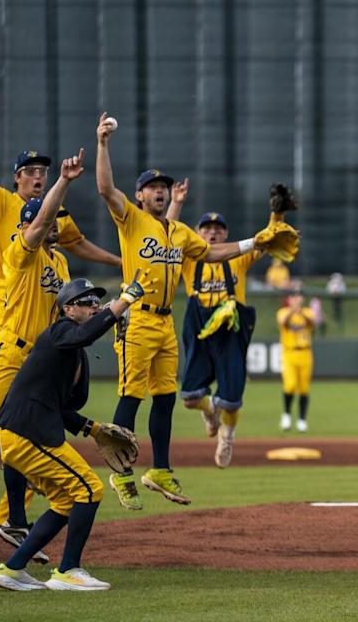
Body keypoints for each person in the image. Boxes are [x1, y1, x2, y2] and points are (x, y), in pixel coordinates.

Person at [95, 113, 271, 508]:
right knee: (131, 397)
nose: (159, 192)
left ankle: (160, 468)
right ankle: (121, 473)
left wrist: (252, 242)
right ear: (140, 196)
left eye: (163, 187)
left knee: (166, 397)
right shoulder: (132, 219)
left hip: (165, 322)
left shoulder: (177, 231)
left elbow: (210, 253)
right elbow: (106, 188)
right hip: (136, 317)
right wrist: (103, 144)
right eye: (152, 188)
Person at [0, 92, 121, 491]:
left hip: (38, 305)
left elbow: (76, 242)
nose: (38, 175)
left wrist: (120, 264)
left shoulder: (55, 238)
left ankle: (8, 500)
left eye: (42, 171)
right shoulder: (4, 203)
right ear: (17, 177)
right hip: (8, 291)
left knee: (17, 394)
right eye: (30, 170)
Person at [0, 150, 84, 563]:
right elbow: (39, 224)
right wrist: (63, 182)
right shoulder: (19, 249)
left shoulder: (60, 262)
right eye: (46, 221)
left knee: (21, 440)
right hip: (6, 352)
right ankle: (7, 504)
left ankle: (12, 519)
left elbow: (69, 312)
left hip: (35, 362)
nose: (53, 227)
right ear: (29, 223)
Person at [0, 274, 150, 591]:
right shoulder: (60, 333)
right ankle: (68, 570)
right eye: (86, 302)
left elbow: (60, 406)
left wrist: (93, 429)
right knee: (90, 489)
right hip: (26, 431)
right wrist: (123, 302)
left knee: (65, 501)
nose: (93, 305)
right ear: (66, 309)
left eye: (96, 301)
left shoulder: (70, 350)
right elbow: (85, 335)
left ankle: (12, 569)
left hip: (24, 429)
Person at [166, 180, 282, 467]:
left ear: (227, 234)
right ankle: (209, 411)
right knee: (191, 396)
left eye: (218, 229)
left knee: (230, 399)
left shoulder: (237, 259)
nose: (213, 232)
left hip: (230, 327)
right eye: (206, 228)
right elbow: (165, 235)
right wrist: (177, 203)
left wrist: (277, 214)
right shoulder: (187, 258)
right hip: (199, 325)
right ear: (196, 233)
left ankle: (227, 436)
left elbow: (267, 238)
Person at [278, 287, 315, 432]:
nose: (296, 299)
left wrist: (300, 312)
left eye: (298, 296)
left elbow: (312, 322)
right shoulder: (283, 312)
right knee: (290, 385)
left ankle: (302, 420)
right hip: (289, 353)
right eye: (293, 296)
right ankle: (286, 415)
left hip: (305, 353)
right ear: (289, 299)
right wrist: (293, 310)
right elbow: (283, 322)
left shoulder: (307, 312)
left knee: (304, 388)